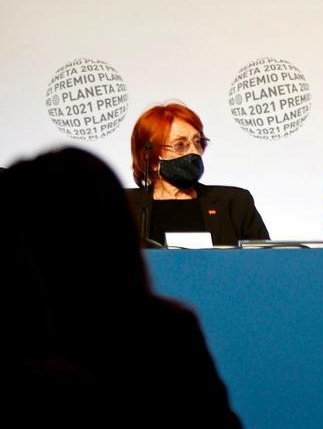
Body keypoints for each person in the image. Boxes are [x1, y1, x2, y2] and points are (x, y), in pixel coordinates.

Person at [2, 148, 241, 426]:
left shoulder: (169, 330)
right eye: (178, 144)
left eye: (197, 142)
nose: (191, 152)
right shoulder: (168, 330)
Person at [127, 103, 268, 247]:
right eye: (180, 145)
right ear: (152, 160)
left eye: (197, 142)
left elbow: (264, 262)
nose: (194, 152)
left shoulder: (235, 203)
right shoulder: (124, 205)